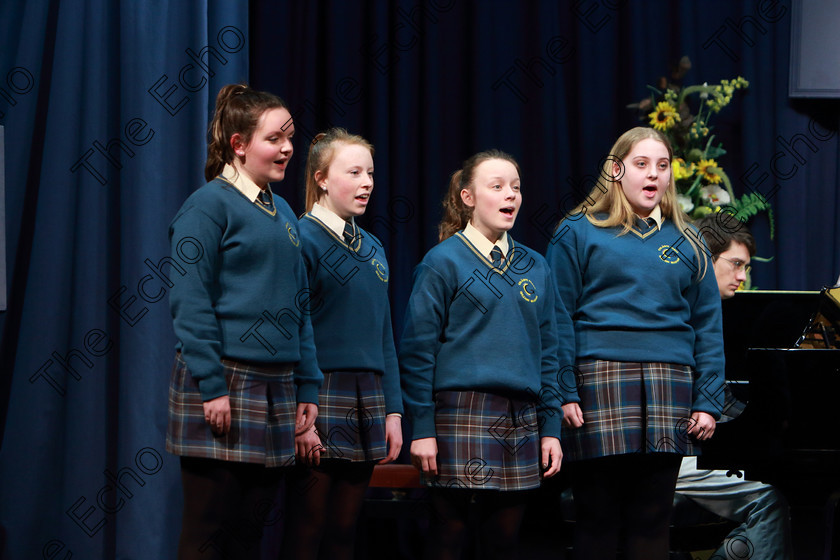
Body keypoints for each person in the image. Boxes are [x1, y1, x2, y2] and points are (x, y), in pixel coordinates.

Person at [547, 126, 725, 559]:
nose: (654, 175)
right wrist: (564, 390)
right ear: (616, 170)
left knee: (652, 518)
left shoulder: (689, 240)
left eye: (662, 166)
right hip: (598, 382)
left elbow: (708, 325)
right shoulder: (577, 231)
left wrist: (708, 399)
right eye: (642, 164)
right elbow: (556, 317)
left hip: (669, 384)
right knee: (598, 517)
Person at [166, 84, 321, 559]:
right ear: (239, 144)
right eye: (275, 138)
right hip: (226, 382)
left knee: (248, 536)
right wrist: (211, 386)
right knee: (208, 532)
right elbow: (190, 302)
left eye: (290, 137)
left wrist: (307, 386)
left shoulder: (285, 215)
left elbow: (300, 307)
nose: (288, 148)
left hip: (277, 387)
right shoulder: (208, 206)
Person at [400, 149, 564, 560]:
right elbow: (418, 352)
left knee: (503, 543)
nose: (510, 195)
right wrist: (422, 428)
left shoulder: (536, 266)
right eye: (497, 187)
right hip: (460, 412)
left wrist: (551, 427)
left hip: (520, 415)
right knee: (448, 541)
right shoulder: (443, 263)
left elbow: (550, 351)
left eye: (516, 187)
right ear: (468, 196)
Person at [281, 128, 403, 560]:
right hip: (320, 392)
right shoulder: (301, 239)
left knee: (344, 530)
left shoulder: (373, 247)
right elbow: (296, 326)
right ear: (321, 179)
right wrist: (303, 415)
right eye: (354, 172)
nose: (367, 182)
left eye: (370, 172)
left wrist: (392, 408)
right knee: (307, 524)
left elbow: (383, 331)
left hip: (366, 394)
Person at [675, 212, 793, 560]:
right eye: (736, 264)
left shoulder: (706, 312)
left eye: (748, 267)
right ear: (705, 257)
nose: (743, 277)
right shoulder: (680, 313)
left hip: (693, 450)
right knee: (771, 500)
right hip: (671, 453)